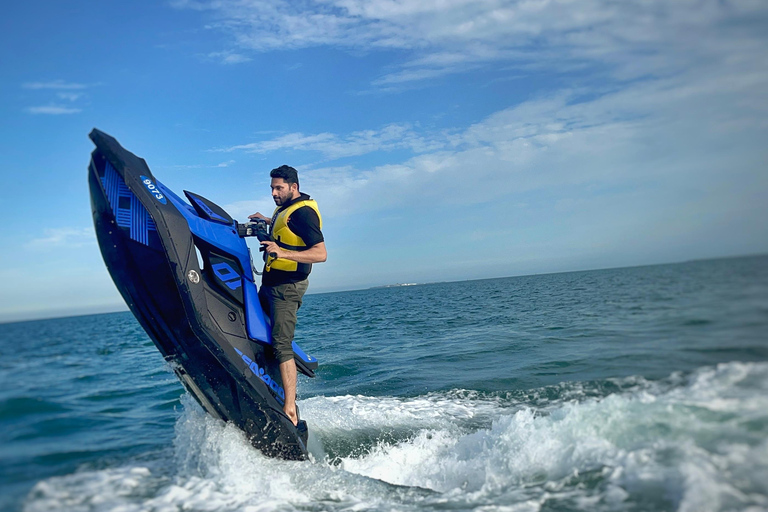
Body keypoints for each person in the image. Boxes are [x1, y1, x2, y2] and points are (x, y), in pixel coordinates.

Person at [249, 165, 326, 426]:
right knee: (258, 330)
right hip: (270, 284)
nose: (274, 192)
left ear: (294, 187)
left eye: (279, 188)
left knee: (282, 344)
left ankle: (290, 407)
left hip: (287, 288)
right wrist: (268, 222)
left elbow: (320, 253)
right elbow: (286, 228)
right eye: (272, 188)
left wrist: (282, 253)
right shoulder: (285, 208)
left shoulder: (303, 213)